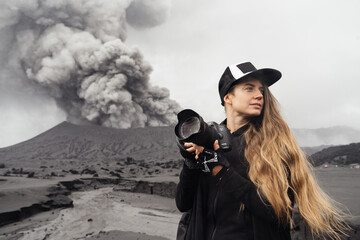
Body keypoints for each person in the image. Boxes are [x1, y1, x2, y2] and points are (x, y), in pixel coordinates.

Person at [175, 62, 350, 240]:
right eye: (249, 88)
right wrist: (190, 164)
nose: (259, 95)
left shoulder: (273, 146)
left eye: (261, 90)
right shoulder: (208, 142)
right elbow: (183, 203)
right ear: (228, 97)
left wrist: (222, 172)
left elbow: (279, 213)